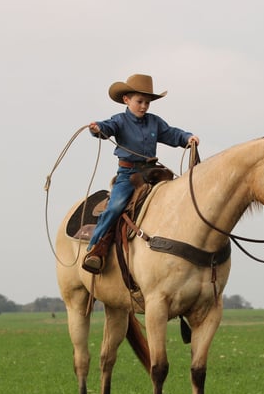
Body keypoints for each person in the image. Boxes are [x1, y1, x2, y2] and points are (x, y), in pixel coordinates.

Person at [82, 74, 199, 274]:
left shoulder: (155, 122)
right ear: (126, 100)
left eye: (147, 102)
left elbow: (172, 134)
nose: (144, 106)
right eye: (139, 101)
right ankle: (95, 249)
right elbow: (105, 129)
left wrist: (187, 137)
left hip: (153, 173)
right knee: (115, 206)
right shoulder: (119, 121)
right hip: (128, 174)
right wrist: (97, 128)